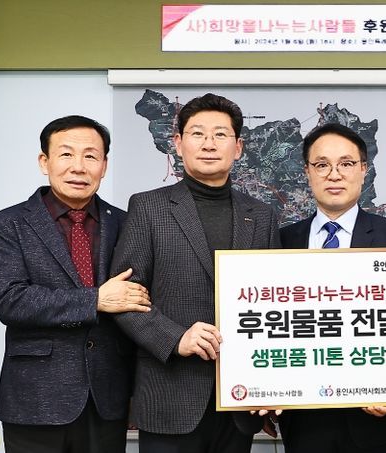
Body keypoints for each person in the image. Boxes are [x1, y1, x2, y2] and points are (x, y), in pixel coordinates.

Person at [111, 93, 281, 453]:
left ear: (238, 147)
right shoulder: (148, 207)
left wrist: (273, 384)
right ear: (178, 143)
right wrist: (176, 338)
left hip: (240, 400)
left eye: (220, 134)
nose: (209, 144)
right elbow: (124, 298)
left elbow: (276, 304)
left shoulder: (262, 215)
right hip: (169, 396)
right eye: (198, 133)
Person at [0, 115, 151, 453]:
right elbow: (11, 300)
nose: (79, 166)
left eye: (90, 156)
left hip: (108, 397)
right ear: (44, 162)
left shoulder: (127, 223)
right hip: (36, 400)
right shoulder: (6, 224)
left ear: (104, 166)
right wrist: (95, 300)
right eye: (66, 154)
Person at [278, 122, 386, 453]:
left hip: (373, 416)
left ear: (364, 170)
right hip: (305, 416)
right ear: (307, 172)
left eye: (346, 163)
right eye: (322, 165)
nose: (334, 174)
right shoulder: (284, 240)